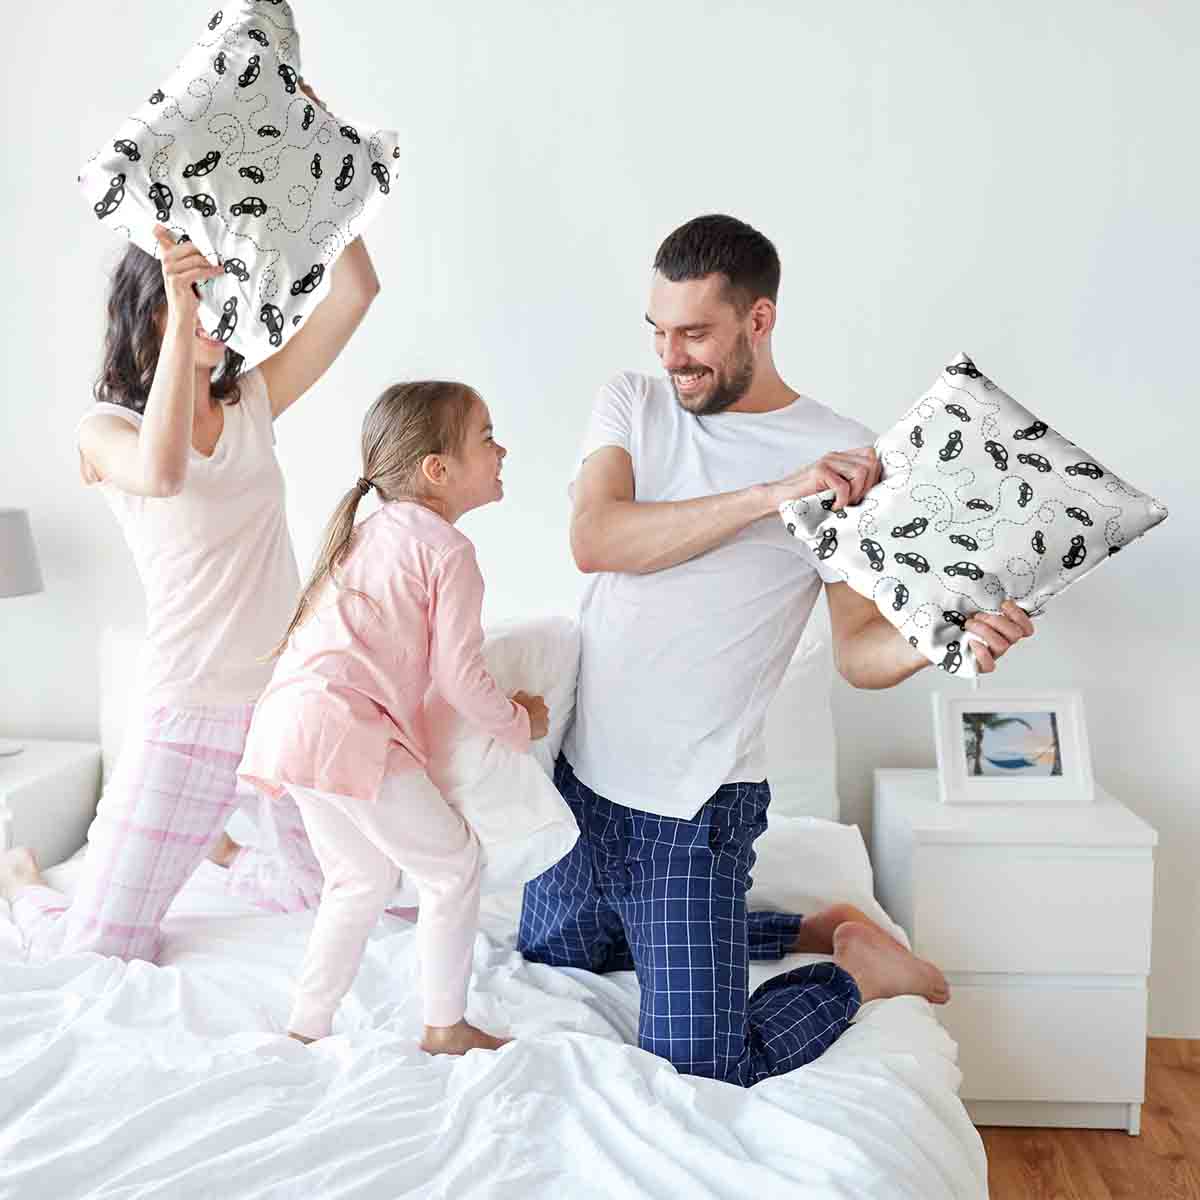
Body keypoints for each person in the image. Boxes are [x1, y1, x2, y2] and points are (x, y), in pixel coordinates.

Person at [518, 214, 1035, 1086]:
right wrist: (771, 497)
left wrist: (941, 646)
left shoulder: (840, 458)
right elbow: (597, 537)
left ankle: (857, 966)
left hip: (693, 812)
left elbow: (859, 653)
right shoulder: (634, 402)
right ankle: (805, 922)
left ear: (759, 322)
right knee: (553, 947)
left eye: (695, 333)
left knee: (705, 1063)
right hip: (585, 779)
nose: (671, 354)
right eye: (659, 330)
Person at [0, 107, 380, 955]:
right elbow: (164, 472)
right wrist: (178, 296)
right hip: (187, 713)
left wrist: (307, 139)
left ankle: (227, 847)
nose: (214, 313)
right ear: (151, 307)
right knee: (101, 950)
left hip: (283, 703)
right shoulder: (102, 431)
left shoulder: (250, 401)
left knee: (336, 898)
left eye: (221, 295)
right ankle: (27, 887)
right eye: (194, 297)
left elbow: (357, 292)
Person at [238, 381, 550, 1056]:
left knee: (360, 878)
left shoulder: (369, 533)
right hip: (346, 729)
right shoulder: (446, 550)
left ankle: (306, 1025)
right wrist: (520, 722)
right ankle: (444, 1025)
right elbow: (460, 678)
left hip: (288, 721)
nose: (503, 450)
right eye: (488, 437)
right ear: (438, 470)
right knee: (452, 867)